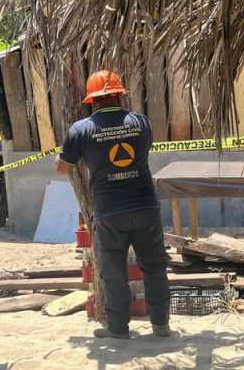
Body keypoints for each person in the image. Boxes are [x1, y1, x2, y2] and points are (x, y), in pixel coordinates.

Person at [57, 70, 171, 339]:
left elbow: (64, 168)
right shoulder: (141, 123)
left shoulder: (81, 130)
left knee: (113, 273)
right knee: (154, 268)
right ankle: (161, 326)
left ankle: (118, 329)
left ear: (91, 100)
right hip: (145, 208)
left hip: (109, 212)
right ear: (121, 95)